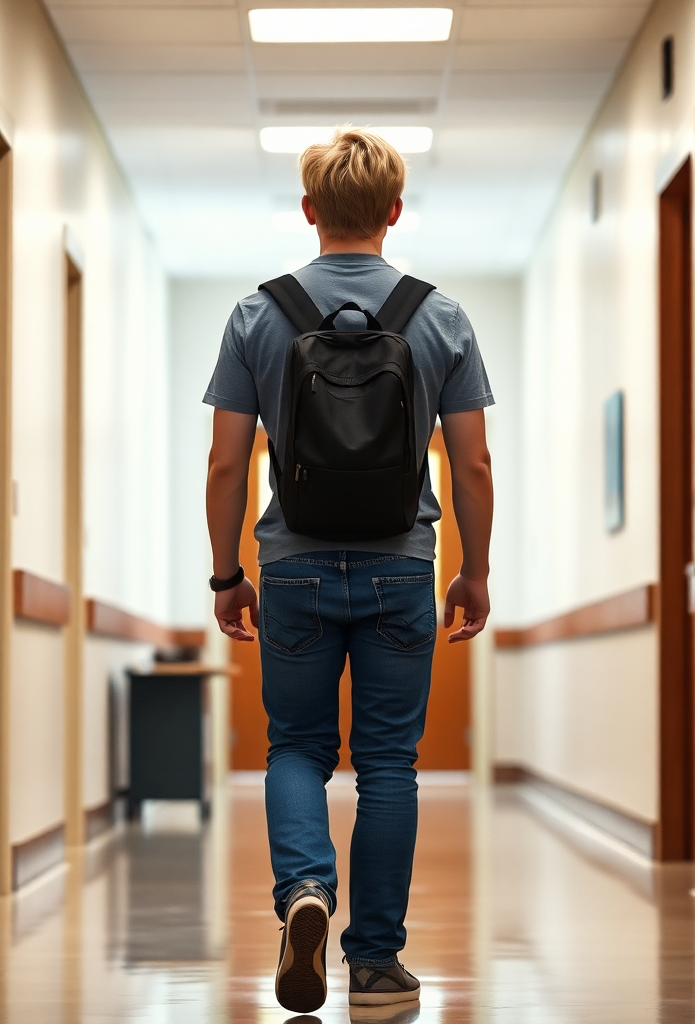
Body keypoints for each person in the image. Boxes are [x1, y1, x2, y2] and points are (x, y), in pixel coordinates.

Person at [203, 128, 494, 1014]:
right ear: (394, 212)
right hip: (401, 568)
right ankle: (374, 961)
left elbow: (225, 463)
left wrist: (228, 577)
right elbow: (471, 465)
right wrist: (473, 573)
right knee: (388, 765)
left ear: (309, 211)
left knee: (294, 745)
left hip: (290, 568)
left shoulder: (258, 314)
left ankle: (304, 895)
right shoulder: (440, 317)